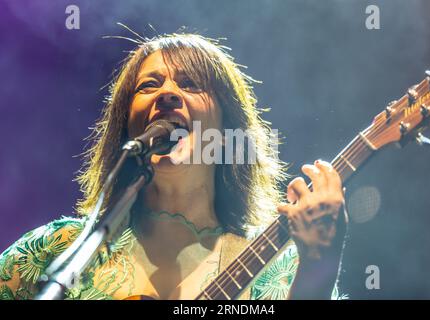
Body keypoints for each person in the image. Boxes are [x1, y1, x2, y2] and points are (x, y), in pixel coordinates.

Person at [0, 33, 347, 300]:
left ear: (227, 134)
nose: (166, 94)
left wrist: (319, 261)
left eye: (190, 84)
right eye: (148, 86)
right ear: (125, 127)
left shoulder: (279, 268)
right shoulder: (56, 249)